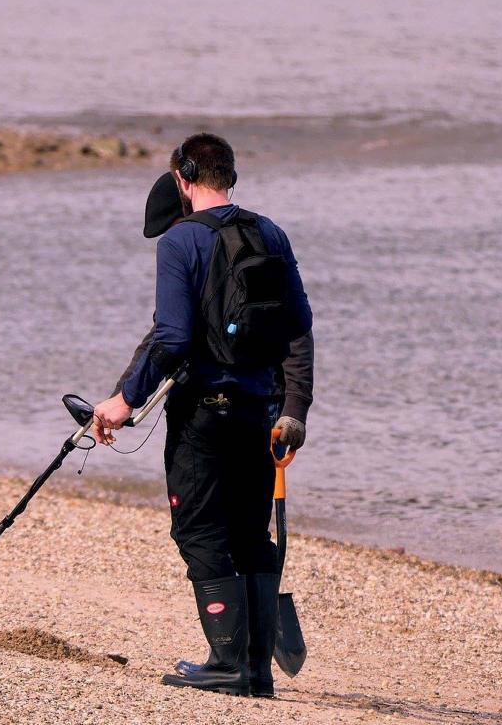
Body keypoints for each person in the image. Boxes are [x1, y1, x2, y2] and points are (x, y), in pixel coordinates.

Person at [93, 133, 313, 697]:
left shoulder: (180, 241)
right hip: (260, 414)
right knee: (249, 534)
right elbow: (298, 328)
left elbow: (170, 337)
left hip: (205, 415)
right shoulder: (271, 232)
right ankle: (256, 670)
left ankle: (225, 661)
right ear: (230, 175)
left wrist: (125, 401)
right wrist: (294, 409)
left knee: (198, 529)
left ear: (184, 180)